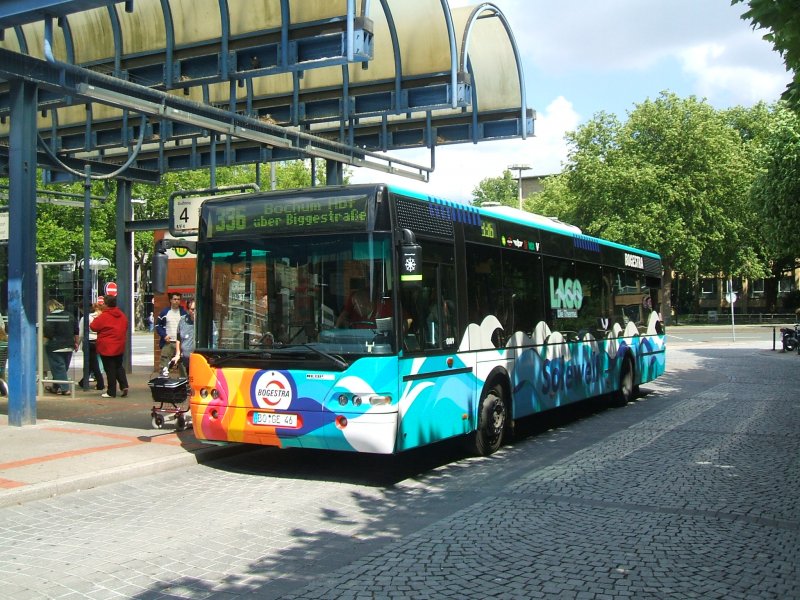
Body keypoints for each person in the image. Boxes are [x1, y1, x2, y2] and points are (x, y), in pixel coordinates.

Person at [91, 294, 129, 398]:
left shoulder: (104, 316)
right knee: (118, 366)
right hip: (119, 345)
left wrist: (98, 316)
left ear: (106, 304)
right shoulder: (121, 315)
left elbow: (93, 326)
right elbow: (126, 326)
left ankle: (111, 391)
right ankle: (124, 385)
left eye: (103, 303)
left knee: (109, 369)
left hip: (106, 346)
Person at [43, 299, 78, 395]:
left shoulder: (51, 317)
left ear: (50, 307)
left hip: (55, 346)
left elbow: (48, 332)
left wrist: (44, 342)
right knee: (62, 368)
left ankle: (65, 389)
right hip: (69, 345)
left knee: (58, 367)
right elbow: (76, 331)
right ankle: (55, 387)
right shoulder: (70, 315)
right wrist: (76, 342)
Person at [155, 292, 187, 372]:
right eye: (175, 299)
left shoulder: (183, 313)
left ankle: (184, 381)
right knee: (164, 363)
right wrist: (164, 335)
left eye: (178, 299)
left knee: (183, 365)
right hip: (168, 342)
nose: (177, 301)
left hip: (180, 343)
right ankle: (163, 379)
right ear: (171, 300)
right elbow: (158, 326)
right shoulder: (165, 312)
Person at [78, 302, 105, 391]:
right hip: (97, 341)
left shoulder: (84, 318)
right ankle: (83, 381)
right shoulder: (98, 316)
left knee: (93, 364)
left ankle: (100, 383)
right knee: (91, 363)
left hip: (88, 342)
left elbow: (81, 334)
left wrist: (77, 344)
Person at [172, 299, 195, 378]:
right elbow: (178, 338)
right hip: (186, 361)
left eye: (196, 309)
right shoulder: (182, 320)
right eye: (192, 309)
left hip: (200, 361)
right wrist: (178, 354)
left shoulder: (205, 321)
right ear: (188, 310)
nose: (195, 311)